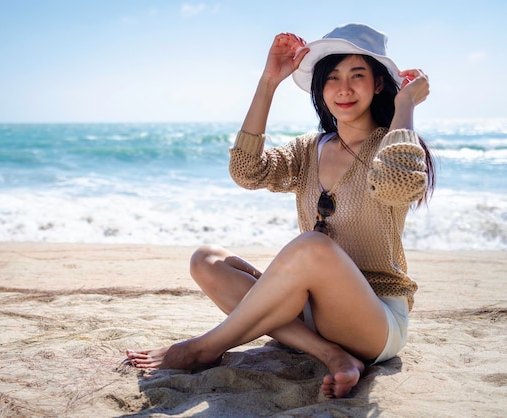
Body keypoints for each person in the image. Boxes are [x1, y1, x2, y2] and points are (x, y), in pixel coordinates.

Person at [126, 23, 435, 399]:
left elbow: (397, 186)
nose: (344, 88)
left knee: (311, 246)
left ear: (378, 85)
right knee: (206, 260)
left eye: (358, 76)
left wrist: (405, 107)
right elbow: (246, 171)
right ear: (320, 87)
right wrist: (269, 82)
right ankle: (331, 354)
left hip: (373, 320)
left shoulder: (394, 147)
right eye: (332, 77)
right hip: (311, 315)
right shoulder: (310, 149)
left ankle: (202, 348)